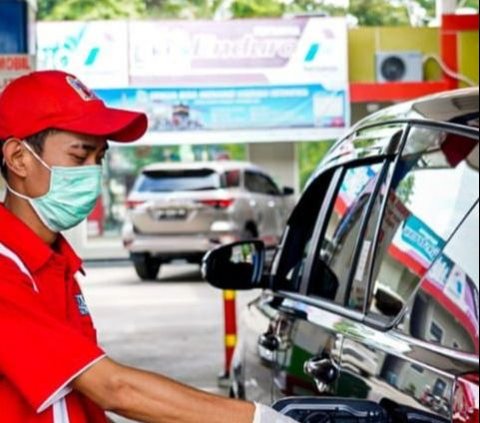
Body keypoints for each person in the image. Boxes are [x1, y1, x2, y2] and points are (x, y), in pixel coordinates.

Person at [0, 70, 297, 423]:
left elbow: (82, 402)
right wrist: (256, 419)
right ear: (19, 158)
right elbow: (113, 388)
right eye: (80, 157)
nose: (92, 173)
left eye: (99, 158)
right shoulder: (6, 269)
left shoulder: (56, 265)